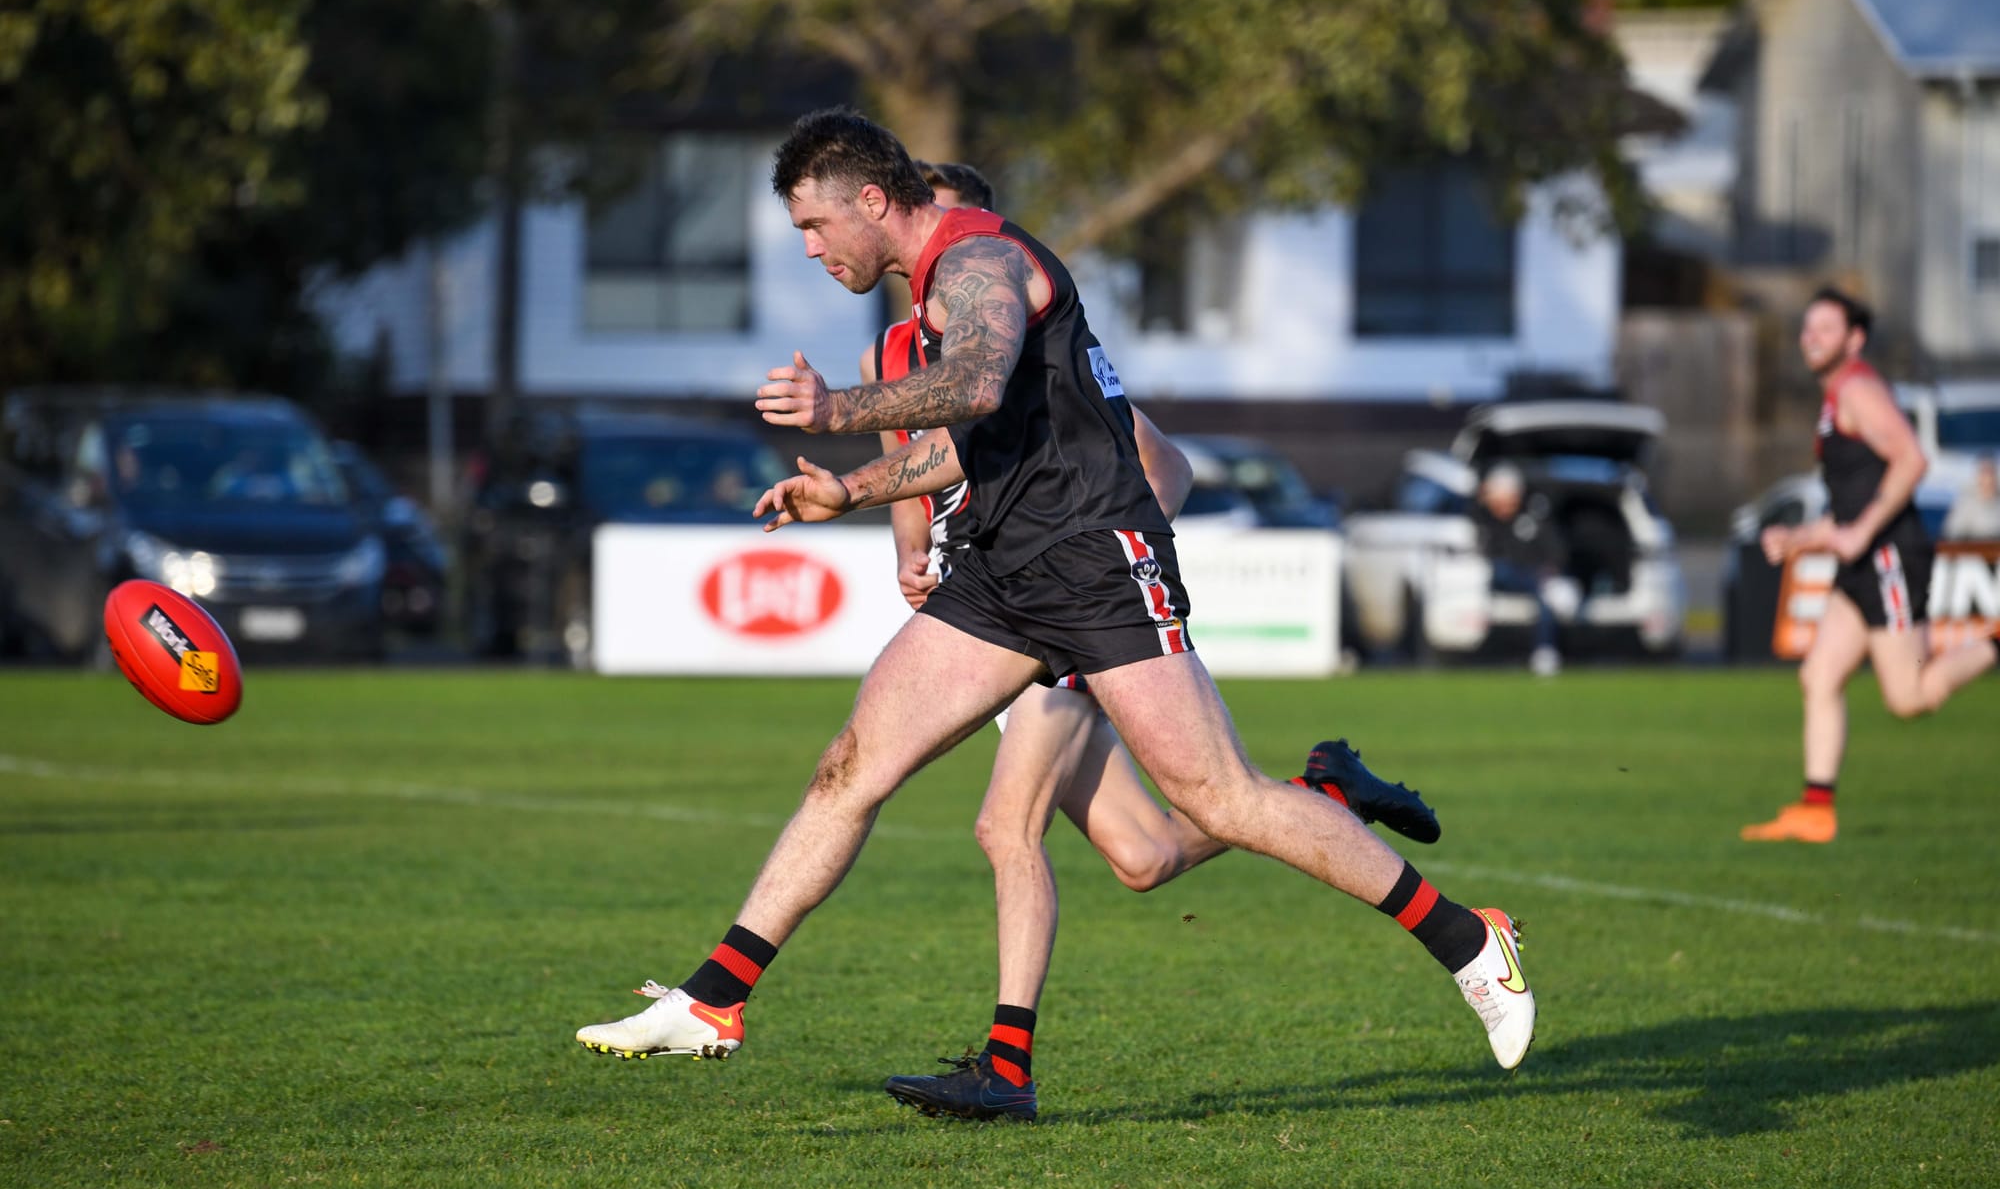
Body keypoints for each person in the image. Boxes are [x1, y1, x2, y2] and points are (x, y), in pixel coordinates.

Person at [574, 109, 1534, 1095]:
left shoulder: (976, 259)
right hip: (1000, 575)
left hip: (1093, 562)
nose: (811, 250)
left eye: (814, 228)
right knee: (849, 769)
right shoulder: (936, 287)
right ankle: (711, 998)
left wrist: (836, 412)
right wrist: (848, 489)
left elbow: (976, 385)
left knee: (1214, 801)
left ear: (870, 200)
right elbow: (966, 439)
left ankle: (1468, 940)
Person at [862, 161, 1440, 1121]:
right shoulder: (897, 348)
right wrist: (914, 553)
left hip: (1077, 610)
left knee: (1005, 826)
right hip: (992, 610)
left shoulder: (1028, 346)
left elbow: (1158, 467)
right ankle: (1327, 792)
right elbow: (908, 477)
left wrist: (1096, 567)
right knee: (1143, 858)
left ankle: (1006, 1067)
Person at [1742, 289, 1999, 844]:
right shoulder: (1836, 397)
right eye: (1808, 327)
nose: (1811, 336)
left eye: (1825, 328)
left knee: (1908, 698)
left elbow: (1912, 457)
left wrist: (1859, 533)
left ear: (1854, 339)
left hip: (1888, 558)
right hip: (1860, 563)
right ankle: (1816, 809)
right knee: (1819, 675)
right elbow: (1850, 504)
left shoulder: (1858, 387)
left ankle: (1995, 644)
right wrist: (1801, 536)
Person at [1474, 462, 1566, 677]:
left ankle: (1545, 651)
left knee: (1546, 597)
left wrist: (1551, 572)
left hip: (1533, 578)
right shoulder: (1483, 518)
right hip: (1502, 576)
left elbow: (1555, 550)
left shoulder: (1533, 517)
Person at [1942, 456, 2000, 540]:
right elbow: (1952, 533)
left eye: (1991, 473)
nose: (1988, 478)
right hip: (1972, 550)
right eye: (1984, 472)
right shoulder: (1965, 504)